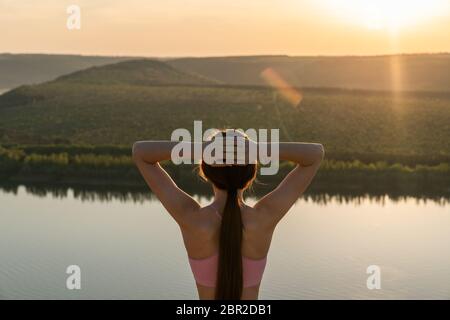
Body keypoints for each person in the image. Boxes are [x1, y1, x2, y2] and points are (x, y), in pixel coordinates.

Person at [132, 130, 324, 300]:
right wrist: (257, 149)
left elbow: (141, 152)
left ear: (206, 171)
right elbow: (315, 155)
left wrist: (203, 149)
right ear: (252, 174)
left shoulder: (192, 219)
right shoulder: (263, 218)